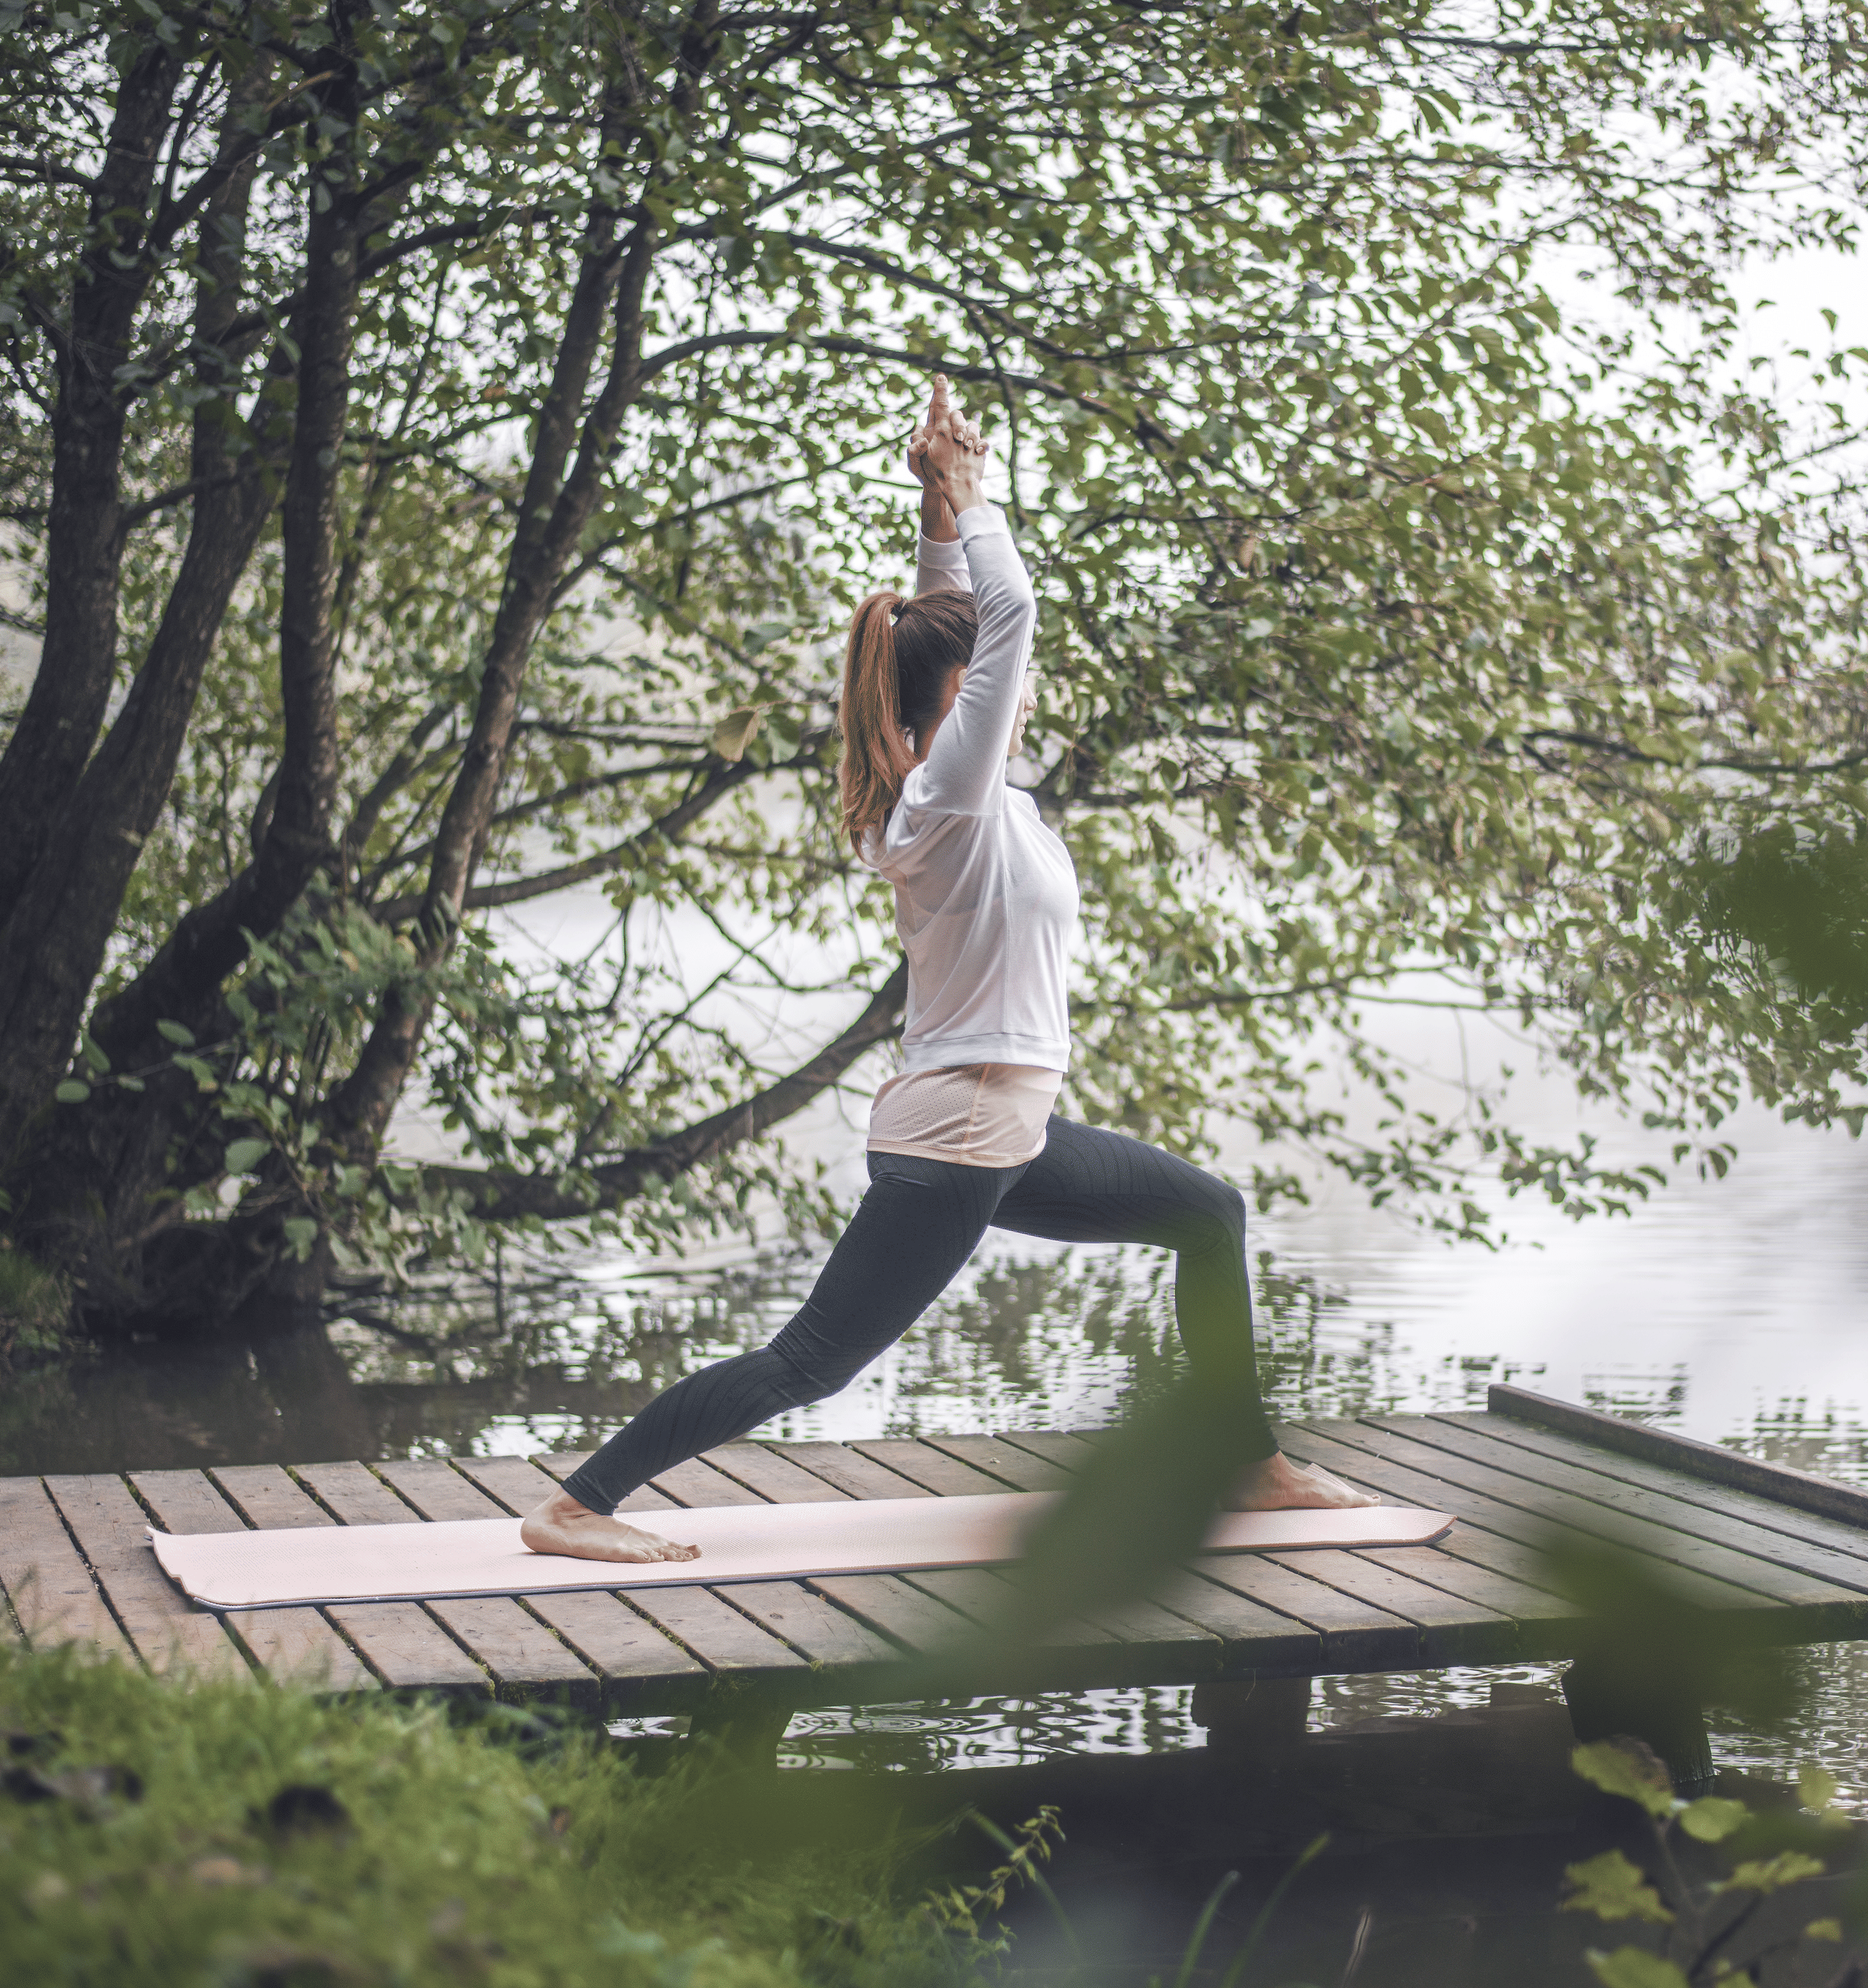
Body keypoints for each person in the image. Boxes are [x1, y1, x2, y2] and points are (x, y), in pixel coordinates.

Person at [524, 377, 1371, 1562]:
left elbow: (962, 615)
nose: (1020, 700)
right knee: (811, 1364)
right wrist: (977, 496)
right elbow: (1008, 613)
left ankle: (1249, 1460)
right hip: (960, 1135)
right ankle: (576, 1507)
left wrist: (936, 507)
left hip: (992, 1121)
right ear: (968, 703)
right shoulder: (945, 808)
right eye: (998, 689)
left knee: (1206, 1214)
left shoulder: (959, 797)